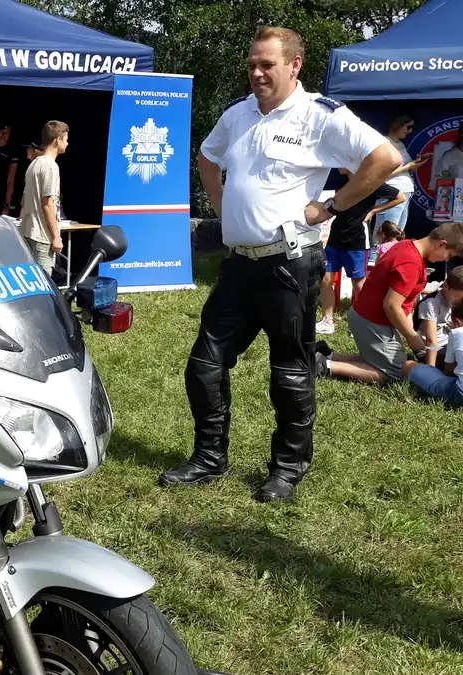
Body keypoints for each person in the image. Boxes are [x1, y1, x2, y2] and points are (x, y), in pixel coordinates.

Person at [158, 26, 402, 504]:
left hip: (290, 266)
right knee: (204, 364)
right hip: (238, 266)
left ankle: (287, 469)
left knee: (289, 371)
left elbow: (385, 158)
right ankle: (209, 459)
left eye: (267, 64)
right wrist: (221, 202)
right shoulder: (238, 114)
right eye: (252, 63)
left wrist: (333, 206)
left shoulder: (320, 116)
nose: (256, 72)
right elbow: (208, 156)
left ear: (294, 65)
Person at [317, 222, 463, 385]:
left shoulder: (406, 245)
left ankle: (326, 354)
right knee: (396, 374)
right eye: (449, 255)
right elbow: (392, 305)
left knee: (376, 359)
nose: (445, 260)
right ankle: (325, 366)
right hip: (372, 321)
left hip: (366, 316)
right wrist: (411, 336)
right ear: (441, 244)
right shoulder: (412, 263)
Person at [316, 179, 406, 335]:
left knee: (358, 283)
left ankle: (361, 322)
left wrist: (374, 211)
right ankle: (328, 320)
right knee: (325, 279)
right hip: (335, 237)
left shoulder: (370, 181)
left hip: (357, 240)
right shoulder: (339, 178)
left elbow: (401, 197)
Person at [368, 115, 430, 260]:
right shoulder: (384, 143)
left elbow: (407, 168)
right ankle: (373, 264)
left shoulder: (400, 144)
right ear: (398, 124)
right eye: (408, 127)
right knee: (385, 235)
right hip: (391, 193)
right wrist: (407, 166)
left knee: (397, 235)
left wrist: (416, 163)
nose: (410, 131)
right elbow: (381, 173)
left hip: (404, 193)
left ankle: (388, 264)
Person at [19, 121, 69, 274]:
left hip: (28, 231)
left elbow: (24, 201)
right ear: (57, 140)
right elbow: (47, 204)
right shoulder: (50, 166)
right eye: (66, 138)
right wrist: (56, 236)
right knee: (43, 282)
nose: (67, 143)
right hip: (41, 235)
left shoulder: (34, 164)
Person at [402, 297, 463, 408]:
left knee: (407, 365)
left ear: (457, 321)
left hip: (459, 395)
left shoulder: (456, 333)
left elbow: (448, 370)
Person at [414, 266, 463, 368]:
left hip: (449, 344)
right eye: (458, 298)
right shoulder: (431, 304)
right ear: (445, 286)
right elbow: (430, 341)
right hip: (432, 351)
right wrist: (430, 371)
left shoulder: (454, 302)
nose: (460, 302)